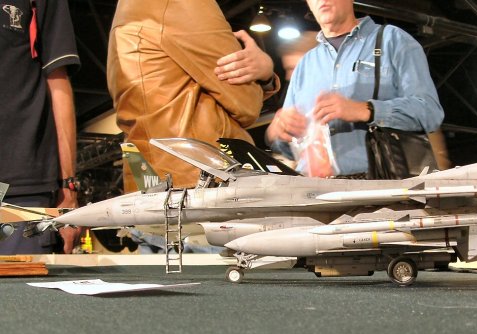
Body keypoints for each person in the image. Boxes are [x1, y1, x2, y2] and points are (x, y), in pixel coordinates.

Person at [107, 0, 280, 193]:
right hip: (204, 179)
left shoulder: (129, 10)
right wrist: (265, 73)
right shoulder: (180, 3)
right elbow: (246, 104)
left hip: (152, 180)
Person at [265, 0, 444, 176]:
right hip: (316, 188)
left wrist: (365, 110)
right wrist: (278, 132)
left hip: (380, 183)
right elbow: (289, 150)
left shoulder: (393, 40)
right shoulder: (305, 64)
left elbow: (429, 112)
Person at [0, 0, 80, 255]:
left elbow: (58, 82)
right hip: (23, 191)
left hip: (20, 192)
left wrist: (69, 188)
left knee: (25, 282)